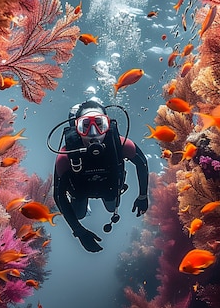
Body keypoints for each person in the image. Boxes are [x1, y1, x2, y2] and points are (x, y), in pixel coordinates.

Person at [52, 99, 149, 252]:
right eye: (85, 126)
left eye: (99, 124)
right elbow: (58, 196)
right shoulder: (66, 157)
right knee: (79, 215)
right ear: (76, 128)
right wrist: (79, 231)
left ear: (107, 125)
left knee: (112, 209)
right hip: (80, 191)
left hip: (109, 187)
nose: (93, 133)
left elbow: (142, 163)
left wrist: (143, 196)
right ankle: (86, 208)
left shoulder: (122, 145)